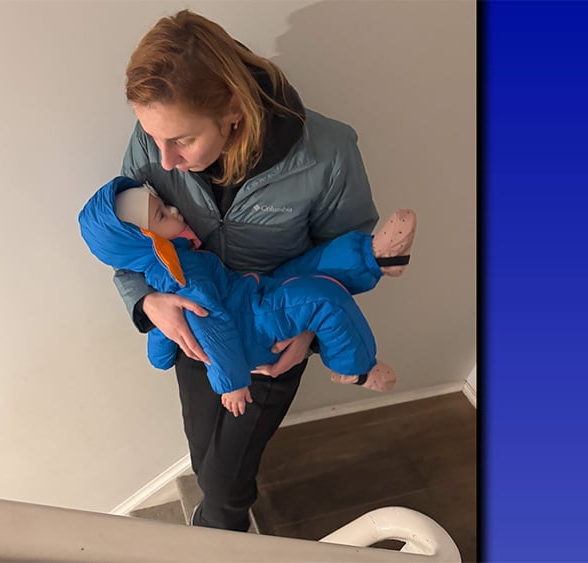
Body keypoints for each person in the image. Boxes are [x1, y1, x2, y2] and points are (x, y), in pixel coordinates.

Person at [113, 9, 385, 532]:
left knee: (226, 480)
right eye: (153, 138)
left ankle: (224, 533)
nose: (163, 160)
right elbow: (125, 237)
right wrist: (147, 304)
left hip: (275, 337)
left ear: (234, 111)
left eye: (182, 141)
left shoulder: (327, 153)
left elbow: (350, 249)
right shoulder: (154, 137)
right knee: (203, 455)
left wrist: (308, 331)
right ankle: (217, 519)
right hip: (192, 328)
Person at [79, 177, 415, 416]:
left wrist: (159, 348)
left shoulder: (176, 260)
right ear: (146, 241)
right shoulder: (179, 273)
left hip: (249, 295)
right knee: (322, 297)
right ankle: (356, 368)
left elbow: (164, 345)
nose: (175, 211)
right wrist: (232, 383)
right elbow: (210, 324)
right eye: (163, 215)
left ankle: (375, 256)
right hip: (248, 327)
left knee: (304, 268)